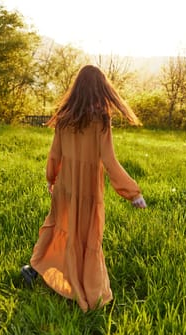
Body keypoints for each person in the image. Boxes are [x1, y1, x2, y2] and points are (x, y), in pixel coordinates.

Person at [21, 65, 147, 312]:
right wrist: (133, 193)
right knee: (87, 236)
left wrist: (51, 178)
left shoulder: (64, 117)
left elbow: (54, 154)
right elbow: (109, 161)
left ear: (76, 88)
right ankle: (88, 290)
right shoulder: (101, 119)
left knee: (57, 227)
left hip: (65, 187)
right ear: (101, 89)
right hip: (88, 190)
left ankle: (35, 269)